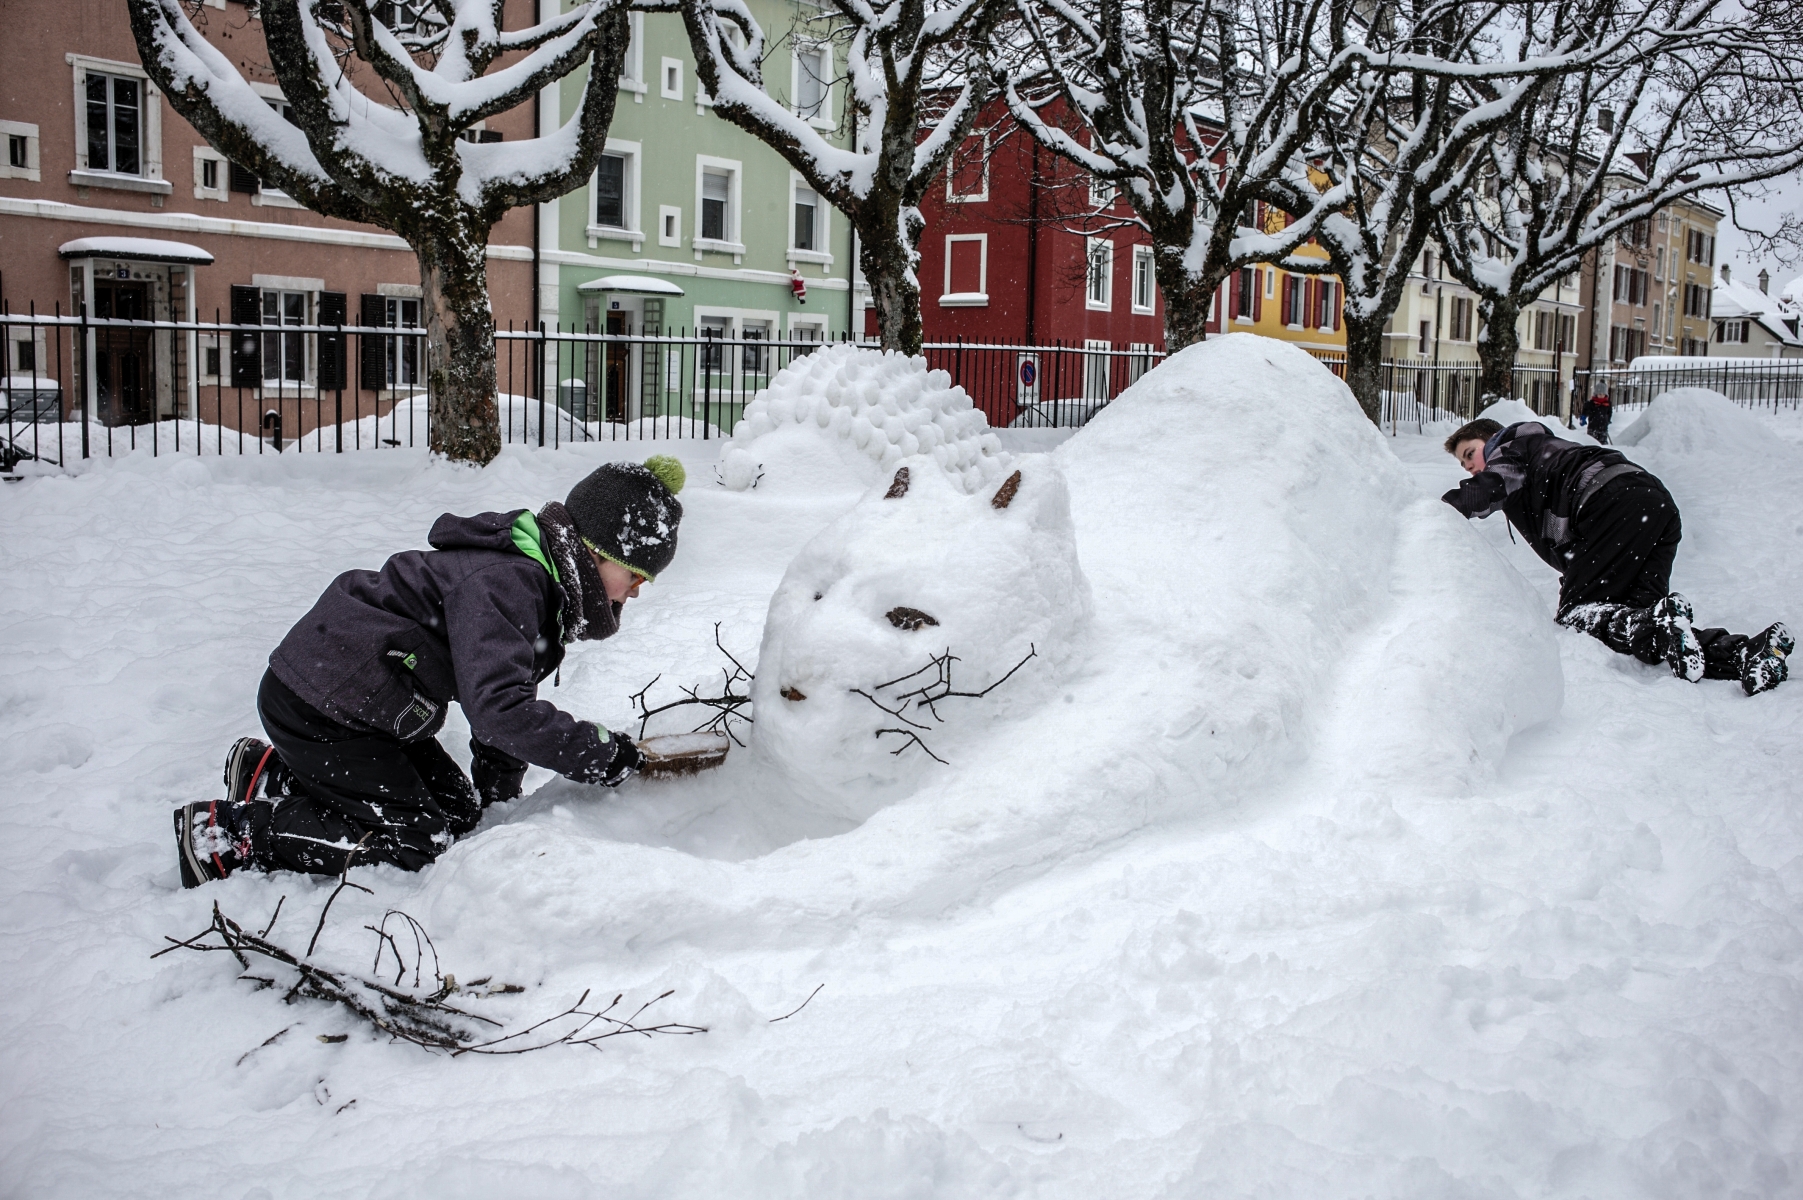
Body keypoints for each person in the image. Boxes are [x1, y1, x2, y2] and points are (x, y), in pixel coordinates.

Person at [175, 456, 687, 888]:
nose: (638, 590)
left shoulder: (539, 589)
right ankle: (226, 835)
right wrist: (604, 755)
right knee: (416, 843)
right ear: (596, 553)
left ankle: (270, 774)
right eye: (637, 574)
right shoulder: (510, 584)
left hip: (367, 705)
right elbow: (500, 713)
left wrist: (498, 808)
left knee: (459, 812)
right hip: (324, 707)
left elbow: (503, 700)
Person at [1440, 418, 1789, 695]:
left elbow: (1491, 487)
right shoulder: (1539, 451)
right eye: (1462, 462)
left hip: (1609, 503)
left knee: (1578, 617)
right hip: (1653, 505)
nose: (1468, 467)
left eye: (1470, 453)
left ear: (1492, 438)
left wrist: (1435, 513)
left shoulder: (1511, 447)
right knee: (1641, 626)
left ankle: (1658, 624)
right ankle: (1747, 654)